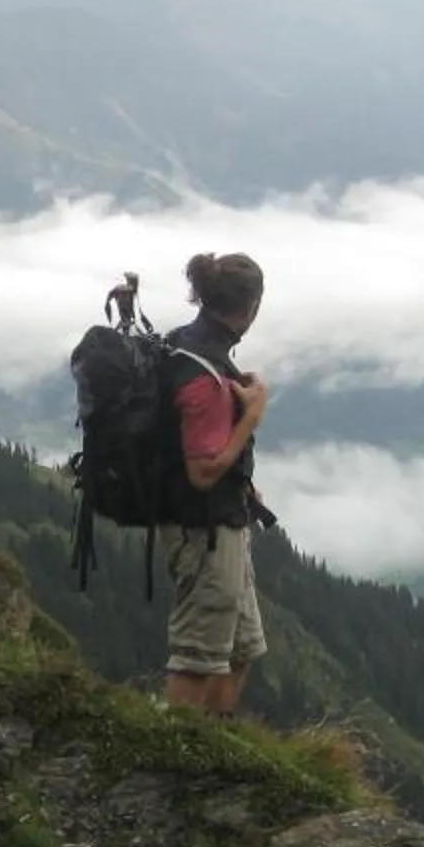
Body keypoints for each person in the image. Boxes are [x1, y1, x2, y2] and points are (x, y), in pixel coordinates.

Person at [162, 250, 270, 713]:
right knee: (199, 657)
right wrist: (253, 415)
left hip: (225, 518)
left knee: (242, 648)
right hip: (201, 528)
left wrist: (243, 486)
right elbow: (202, 473)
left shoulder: (191, 345)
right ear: (251, 307)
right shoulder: (203, 371)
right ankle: (171, 761)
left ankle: (212, 744)